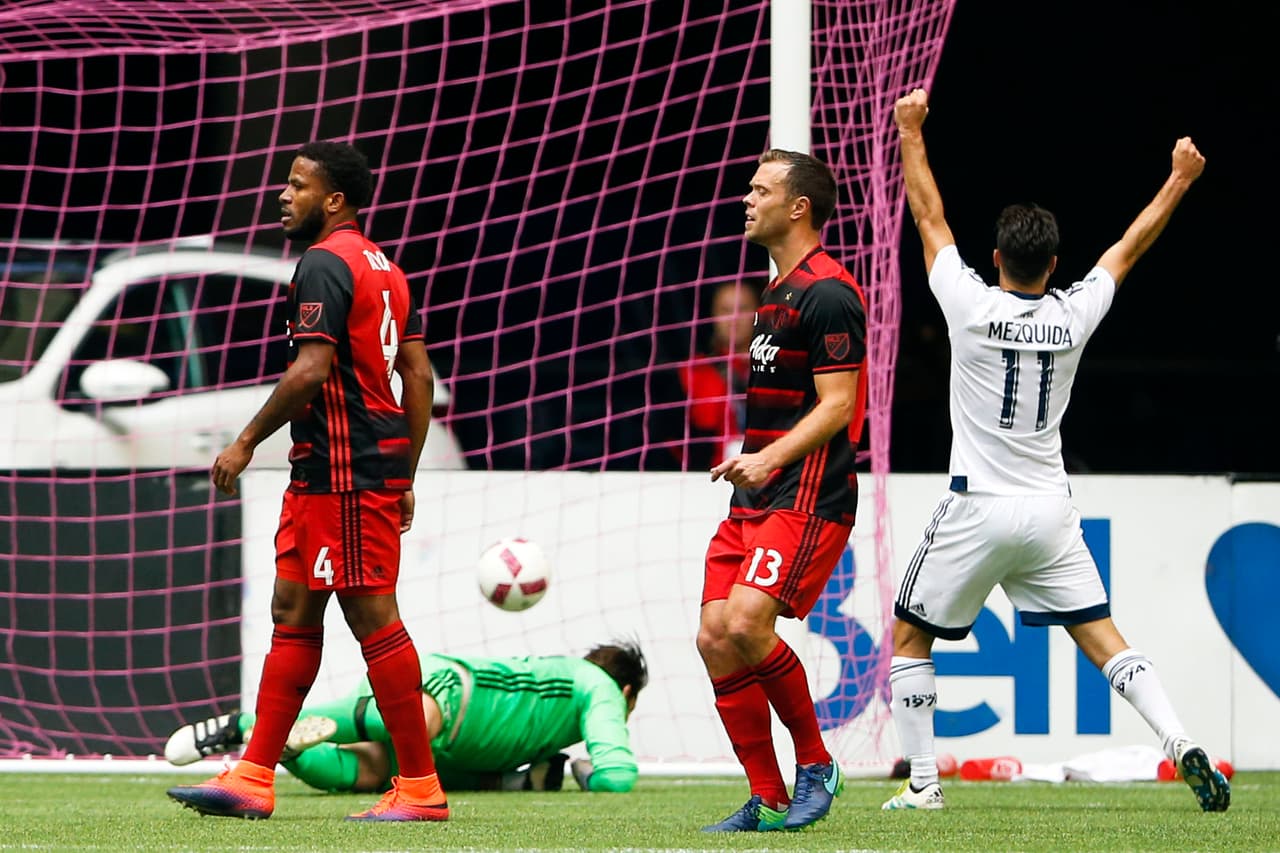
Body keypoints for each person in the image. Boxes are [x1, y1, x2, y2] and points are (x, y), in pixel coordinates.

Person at [884, 88, 1228, 813]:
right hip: (1049, 507)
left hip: (977, 503)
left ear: (999, 256)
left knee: (912, 634)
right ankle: (1178, 740)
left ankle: (923, 787)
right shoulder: (1073, 316)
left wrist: (912, 132)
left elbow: (928, 216)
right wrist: (1180, 179)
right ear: (1055, 262)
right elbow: (1129, 247)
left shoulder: (970, 307)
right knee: (1103, 638)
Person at [167, 141, 446, 823]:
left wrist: (242, 441)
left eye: (296, 185)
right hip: (336, 471)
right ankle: (254, 774)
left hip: (346, 472)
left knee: (371, 614)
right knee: (293, 608)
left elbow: (310, 370)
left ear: (334, 200)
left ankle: (419, 786)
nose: (282, 195)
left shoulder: (324, 263)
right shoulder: (387, 266)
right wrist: (404, 472)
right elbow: (419, 377)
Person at [696, 150, 868, 832]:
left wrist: (765, 459)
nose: (747, 198)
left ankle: (817, 763)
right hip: (758, 493)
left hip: (806, 492)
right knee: (714, 635)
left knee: (744, 622)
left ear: (799, 207)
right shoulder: (776, 292)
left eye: (760, 189)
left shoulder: (829, 291)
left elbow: (838, 404)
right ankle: (767, 795)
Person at [163, 642, 648, 795]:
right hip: (454, 691)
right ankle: (258, 723)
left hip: (448, 723)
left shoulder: (557, 699)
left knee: (367, 775)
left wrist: (549, 773)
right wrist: (593, 773)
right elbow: (619, 777)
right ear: (625, 691)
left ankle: (259, 735)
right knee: (416, 723)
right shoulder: (598, 686)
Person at [676, 280, 761, 469]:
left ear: (758, 313)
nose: (734, 318)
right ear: (713, 315)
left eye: (743, 308)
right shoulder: (694, 370)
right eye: (725, 310)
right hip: (707, 479)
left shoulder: (779, 366)